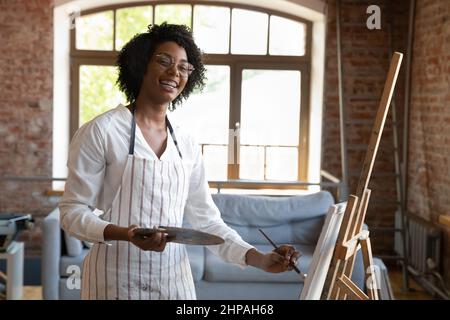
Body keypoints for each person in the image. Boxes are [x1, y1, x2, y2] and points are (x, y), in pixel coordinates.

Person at [59, 23, 300, 300]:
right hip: (115, 282)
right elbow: (73, 213)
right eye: (164, 61)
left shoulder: (186, 144)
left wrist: (259, 258)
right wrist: (127, 234)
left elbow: (208, 222)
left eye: (184, 67)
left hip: (173, 284)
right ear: (141, 65)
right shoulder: (102, 131)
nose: (175, 72)